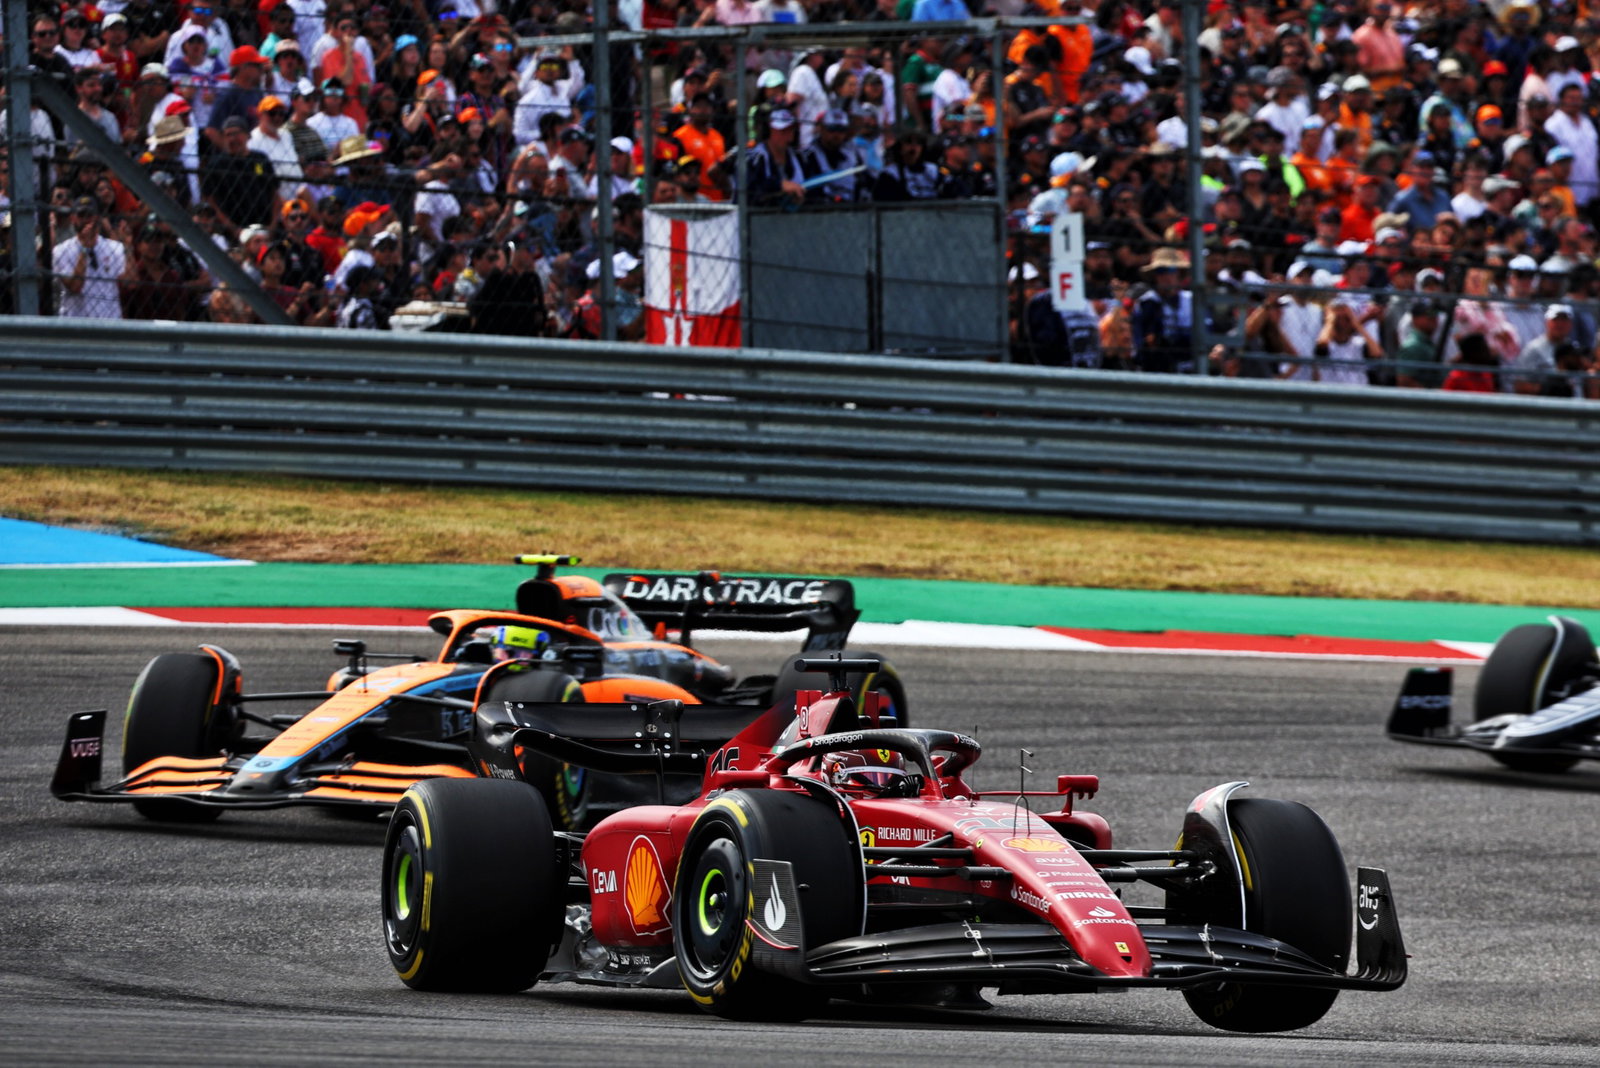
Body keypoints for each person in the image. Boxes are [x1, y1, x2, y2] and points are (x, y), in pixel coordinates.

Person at [53, 196, 126, 320]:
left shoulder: (115, 247)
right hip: (76, 322)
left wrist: (128, 246)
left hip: (110, 321)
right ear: (73, 218)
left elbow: (130, 283)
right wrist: (84, 249)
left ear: (97, 217)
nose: (86, 220)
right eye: (81, 216)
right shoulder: (61, 250)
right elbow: (75, 287)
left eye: (90, 215)